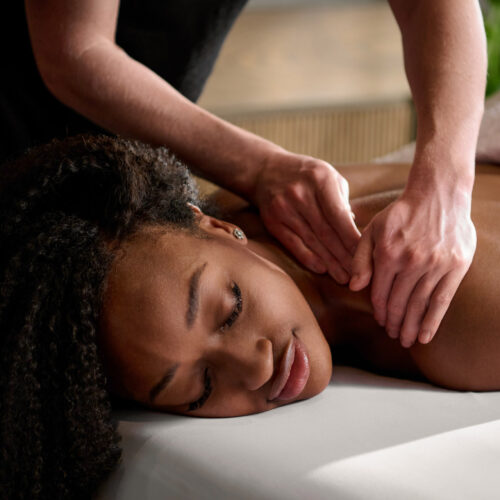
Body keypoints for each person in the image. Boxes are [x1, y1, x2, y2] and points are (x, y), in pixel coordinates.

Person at [1, 135, 499, 498]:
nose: (256, 367)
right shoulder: (222, 229)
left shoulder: (452, 309)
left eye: (230, 309)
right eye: (199, 390)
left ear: (218, 225)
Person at [1, 1, 487, 346]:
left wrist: (444, 182)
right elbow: (75, 52)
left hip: (140, 175)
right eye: (201, 388)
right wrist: (258, 167)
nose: (256, 367)